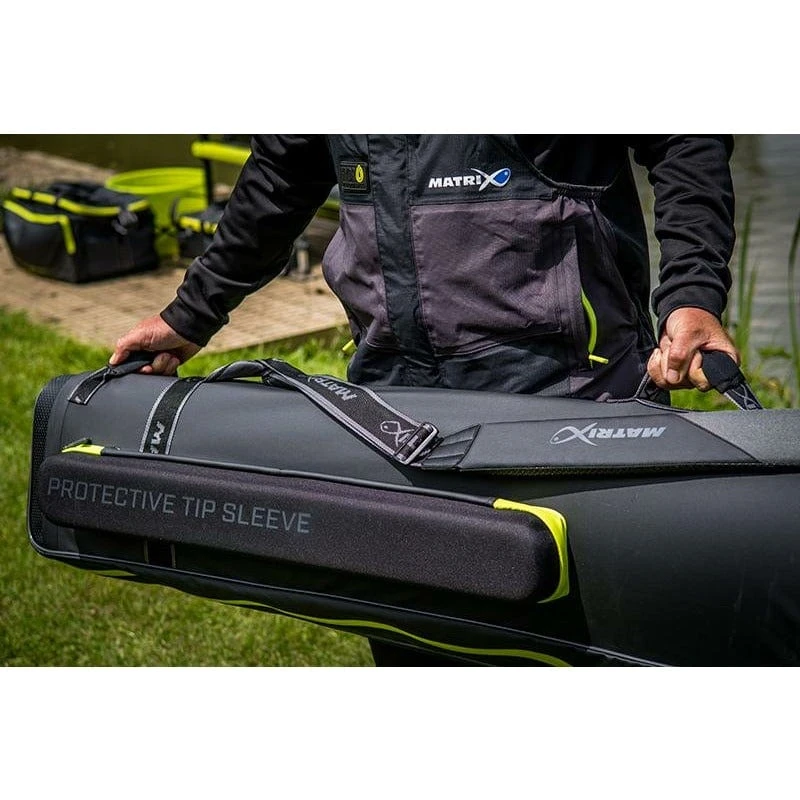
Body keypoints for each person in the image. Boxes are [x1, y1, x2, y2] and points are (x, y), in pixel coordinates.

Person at [110, 135, 739, 666]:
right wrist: (191, 314)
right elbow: (283, 171)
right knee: (418, 643)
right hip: (393, 413)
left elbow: (684, 138)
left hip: (571, 400)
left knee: (576, 646)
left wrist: (692, 292)